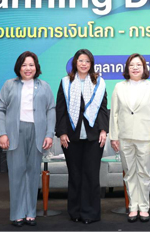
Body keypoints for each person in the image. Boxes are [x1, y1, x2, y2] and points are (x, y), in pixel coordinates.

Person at [0, 51, 56, 227]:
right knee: (16, 173)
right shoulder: (9, 85)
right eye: (24, 65)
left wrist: (49, 134)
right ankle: (17, 214)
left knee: (32, 173)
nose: (28, 68)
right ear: (19, 67)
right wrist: (3, 133)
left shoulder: (44, 86)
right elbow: (0, 110)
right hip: (15, 132)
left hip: (37, 133)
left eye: (31, 65)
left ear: (36, 67)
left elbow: (51, 110)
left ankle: (30, 213)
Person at [55, 49, 109, 225]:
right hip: (71, 136)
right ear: (75, 63)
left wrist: (104, 130)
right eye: (80, 60)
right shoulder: (66, 82)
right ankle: (75, 212)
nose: (84, 64)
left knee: (91, 175)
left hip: (94, 136)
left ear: (91, 63)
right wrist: (62, 132)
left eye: (87, 61)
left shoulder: (99, 82)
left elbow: (103, 109)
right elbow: (61, 109)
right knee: (75, 174)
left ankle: (90, 213)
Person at [109, 53, 150, 223]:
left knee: (144, 173)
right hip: (124, 137)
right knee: (129, 173)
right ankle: (133, 206)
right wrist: (114, 137)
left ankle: (144, 207)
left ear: (144, 67)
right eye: (132, 65)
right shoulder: (119, 87)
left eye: (138, 65)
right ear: (127, 68)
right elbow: (114, 113)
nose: (135, 68)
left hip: (145, 137)